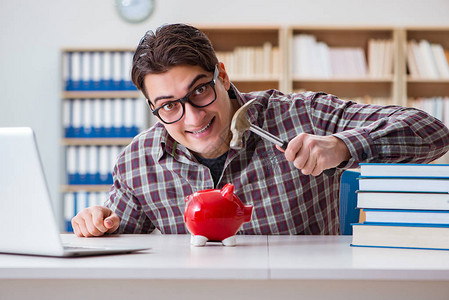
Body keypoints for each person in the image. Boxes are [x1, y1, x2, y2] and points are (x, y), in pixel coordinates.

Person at [71, 23, 449, 237]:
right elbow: (116, 241)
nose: (192, 119)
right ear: (154, 108)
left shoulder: (303, 114)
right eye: (169, 105)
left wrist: (342, 146)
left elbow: (433, 132)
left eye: (200, 90)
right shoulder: (138, 161)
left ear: (221, 74)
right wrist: (97, 224)